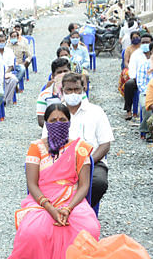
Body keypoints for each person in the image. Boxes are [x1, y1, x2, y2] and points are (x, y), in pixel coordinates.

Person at [0, 103, 100, 259]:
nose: (58, 123)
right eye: (53, 120)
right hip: (42, 200)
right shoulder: (36, 147)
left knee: (88, 228)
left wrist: (68, 208)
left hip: (72, 199)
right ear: (45, 123)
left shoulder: (80, 148)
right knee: (33, 232)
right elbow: (32, 184)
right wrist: (51, 209)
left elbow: (84, 186)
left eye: (63, 120)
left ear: (69, 122)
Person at [40, 74, 113, 209]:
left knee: (98, 183)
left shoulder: (96, 112)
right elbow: (45, 141)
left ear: (83, 89)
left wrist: (86, 161)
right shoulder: (55, 113)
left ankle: (80, 211)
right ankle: (58, 212)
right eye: (69, 90)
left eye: (77, 89)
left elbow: (105, 144)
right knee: (45, 183)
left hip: (92, 161)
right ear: (62, 91)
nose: (73, 93)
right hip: (59, 162)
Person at [133, 39, 153, 133]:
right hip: (147, 93)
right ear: (150, 52)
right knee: (146, 106)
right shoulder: (144, 65)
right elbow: (141, 84)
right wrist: (152, 93)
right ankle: (146, 130)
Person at [123, 32, 153, 120]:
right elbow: (132, 68)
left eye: (147, 42)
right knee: (128, 84)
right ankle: (129, 111)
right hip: (139, 80)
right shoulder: (136, 54)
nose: (145, 44)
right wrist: (136, 78)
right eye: (143, 42)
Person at [0, 32, 21, 98]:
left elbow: (11, 66)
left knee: (14, 80)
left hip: (7, 73)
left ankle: (6, 99)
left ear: (5, 41)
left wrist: (4, 74)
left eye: (3, 41)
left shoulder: (9, 51)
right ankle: (1, 98)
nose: (1, 43)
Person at [118, 30, 141, 102]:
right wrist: (131, 68)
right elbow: (126, 62)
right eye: (133, 38)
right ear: (131, 39)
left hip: (141, 67)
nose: (135, 39)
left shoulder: (143, 48)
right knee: (127, 74)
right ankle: (128, 93)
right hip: (130, 67)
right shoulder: (129, 49)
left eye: (137, 37)